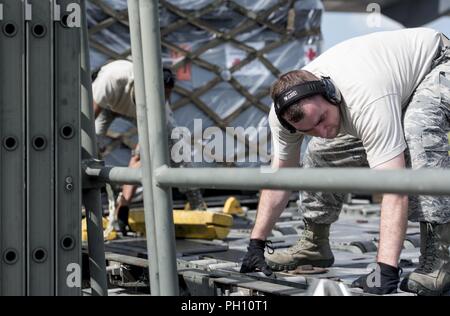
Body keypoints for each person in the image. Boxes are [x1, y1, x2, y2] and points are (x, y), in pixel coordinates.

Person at [240, 28, 450, 296]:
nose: (323, 130)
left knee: (418, 126)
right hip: (395, 89)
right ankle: (314, 245)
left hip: (440, 62)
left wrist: (385, 270)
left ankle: (441, 259)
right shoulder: (283, 117)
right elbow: (280, 177)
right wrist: (256, 243)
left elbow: (394, 187)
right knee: (320, 151)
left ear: (331, 94)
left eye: (322, 119)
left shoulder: (365, 95)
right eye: (309, 129)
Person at [92, 60, 207, 235]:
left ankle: (197, 204)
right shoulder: (112, 78)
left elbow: (139, 156)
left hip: (142, 112)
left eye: (166, 96)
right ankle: (86, 204)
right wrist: (93, 146)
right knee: (89, 148)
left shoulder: (160, 106)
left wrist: (124, 206)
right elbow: (87, 117)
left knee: (177, 149)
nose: (164, 99)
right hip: (108, 104)